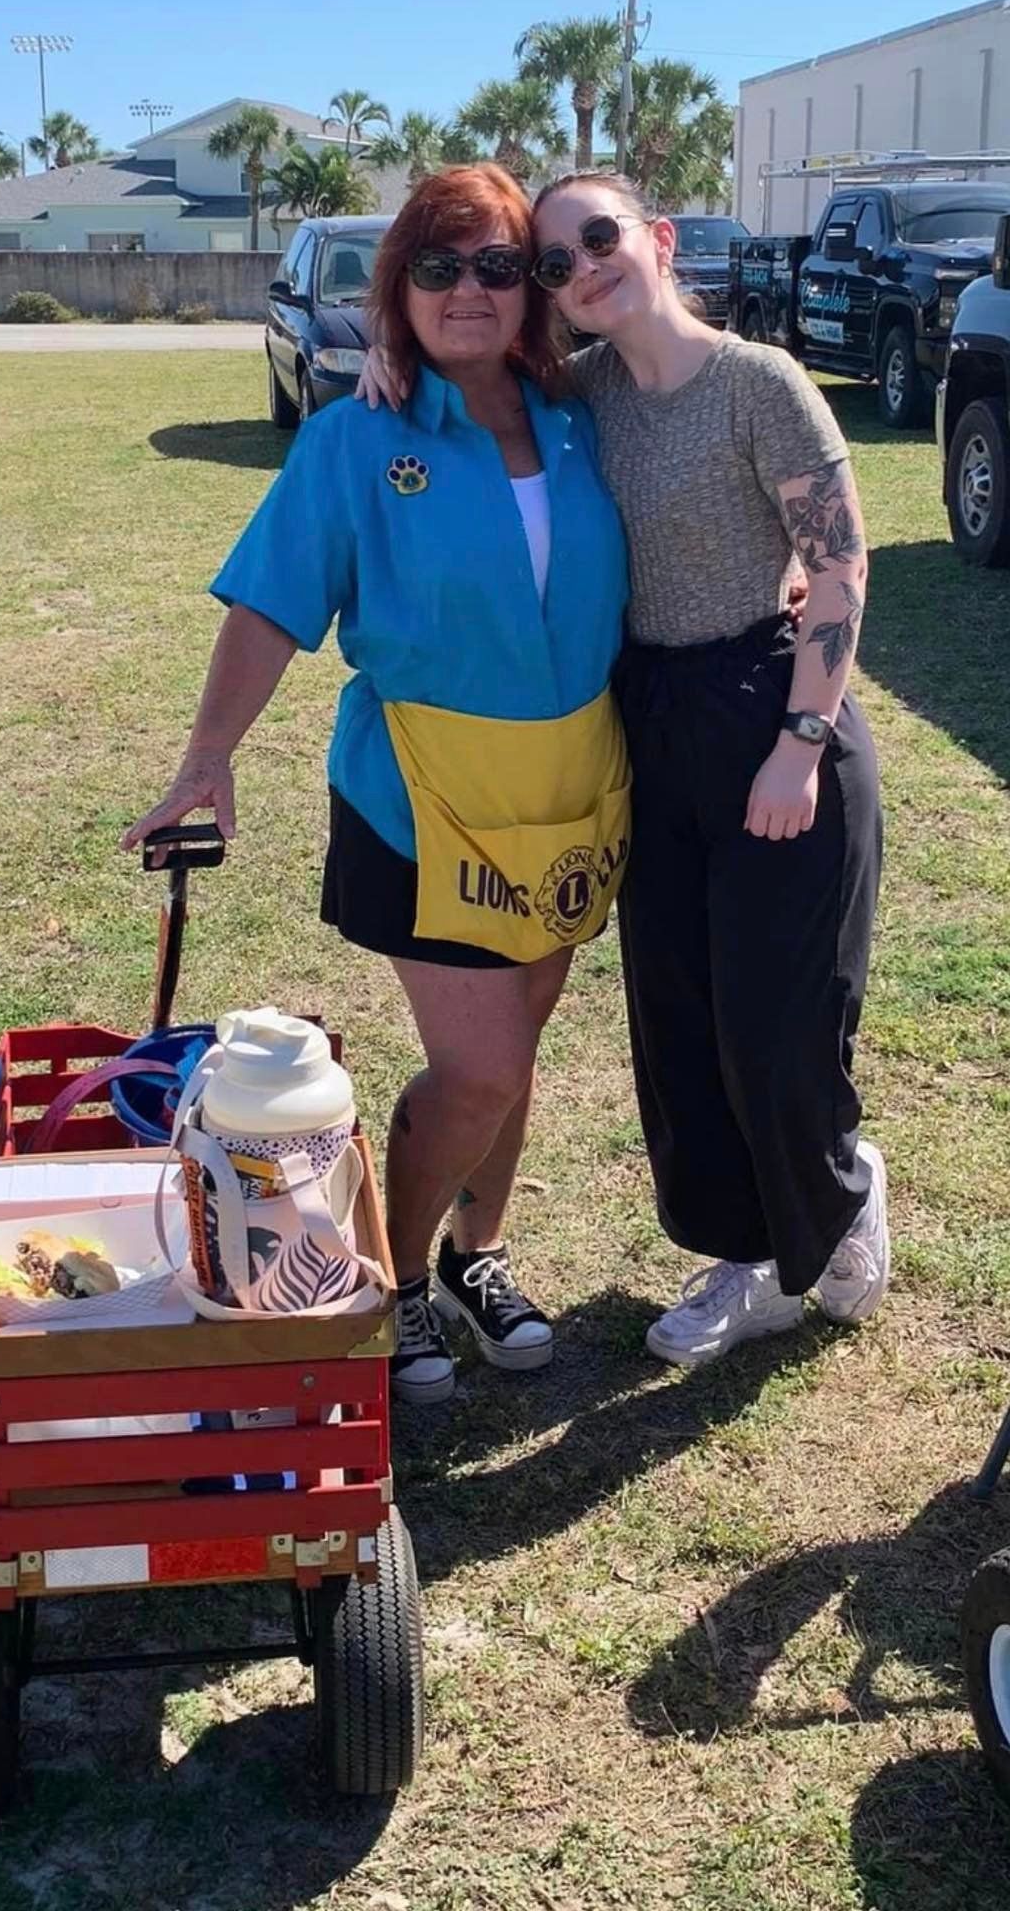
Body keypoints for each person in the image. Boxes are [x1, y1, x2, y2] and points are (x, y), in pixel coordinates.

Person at [360, 171, 888, 1369]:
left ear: (654, 237)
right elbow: (464, 388)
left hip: (771, 711)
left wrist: (800, 745)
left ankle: (840, 1186)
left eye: (596, 238)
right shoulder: (581, 396)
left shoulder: (761, 384)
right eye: (550, 262)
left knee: (776, 1019)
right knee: (681, 1020)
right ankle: (746, 1256)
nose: (578, 269)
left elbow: (841, 569)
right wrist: (381, 365)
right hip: (645, 722)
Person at [122, 163, 631, 1405]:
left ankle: (474, 1254)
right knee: (483, 1067)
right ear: (398, 287)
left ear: (534, 290)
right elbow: (271, 602)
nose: (470, 289)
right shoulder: (359, 434)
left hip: (570, 787)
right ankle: (397, 1281)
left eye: (499, 265)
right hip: (421, 793)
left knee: (517, 1050)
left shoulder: (587, 419)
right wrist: (207, 756)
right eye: (439, 265)